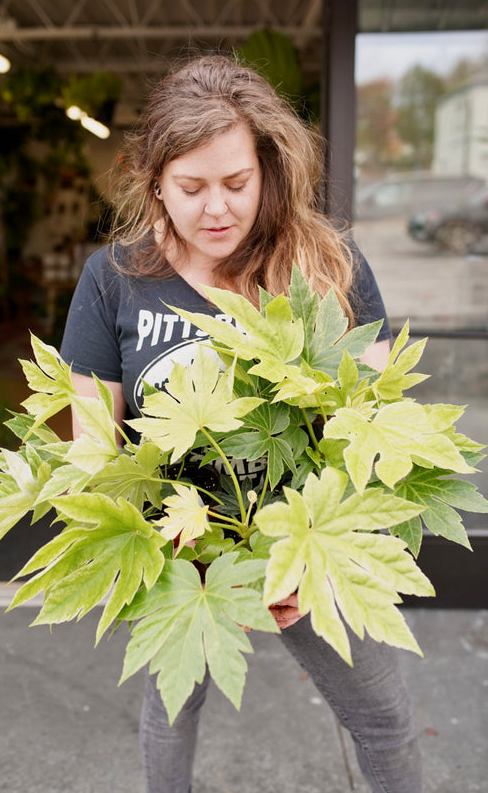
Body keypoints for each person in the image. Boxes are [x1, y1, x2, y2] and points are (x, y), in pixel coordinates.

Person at [60, 54, 422, 793]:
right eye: (191, 188)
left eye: (236, 184)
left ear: (268, 171)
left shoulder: (328, 262)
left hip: (309, 542)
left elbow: (381, 415)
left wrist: (303, 546)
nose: (215, 209)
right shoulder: (113, 279)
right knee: (172, 709)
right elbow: (96, 448)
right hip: (181, 555)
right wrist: (160, 534)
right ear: (154, 179)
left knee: (383, 719)